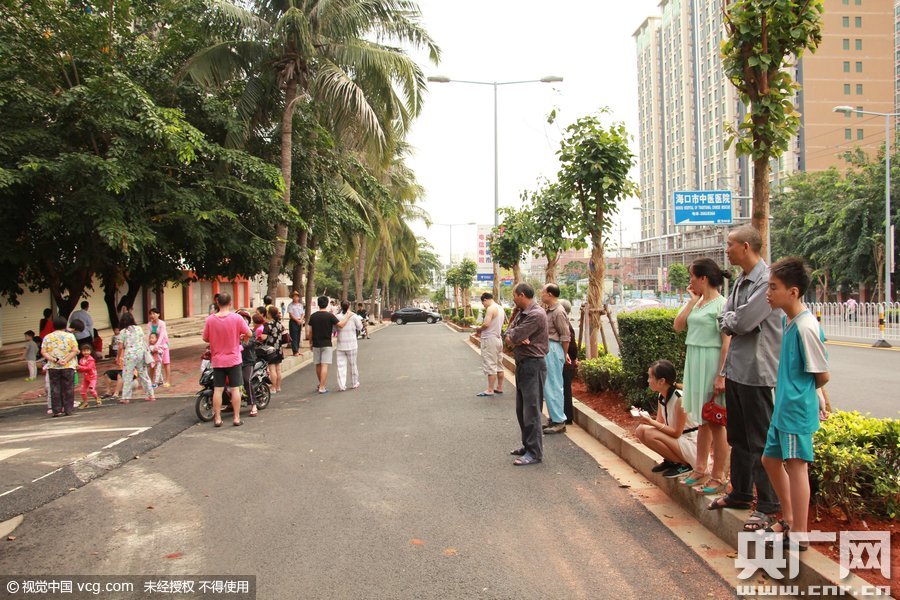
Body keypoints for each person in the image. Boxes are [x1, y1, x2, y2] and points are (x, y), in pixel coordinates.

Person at [709, 225, 783, 534]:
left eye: (730, 244)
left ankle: (767, 505)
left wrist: (731, 320)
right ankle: (740, 493)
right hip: (738, 370)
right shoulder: (741, 280)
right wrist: (732, 321)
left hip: (758, 372)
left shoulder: (767, 281)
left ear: (747, 247)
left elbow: (743, 321)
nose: (726, 249)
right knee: (738, 437)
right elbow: (726, 319)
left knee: (759, 441)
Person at [760, 258, 830, 551]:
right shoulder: (789, 321)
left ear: (793, 291)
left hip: (794, 410)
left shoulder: (805, 327)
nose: (768, 293)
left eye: (774, 287)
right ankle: (789, 520)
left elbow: (822, 374)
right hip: (784, 407)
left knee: (797, 466)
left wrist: (814, 400)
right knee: (770, 460)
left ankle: (799, 533)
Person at [673, 258, 732, 495]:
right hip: (695, 360)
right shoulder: (697, 303)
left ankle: (719, 476)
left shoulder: (722, 304)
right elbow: (678, 326)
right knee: (702, 418)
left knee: (716, 421)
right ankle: (700, 468)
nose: (690, 281)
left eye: (692, 277)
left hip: (711, 362)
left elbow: (727, 342)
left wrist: (721, 375)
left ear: (703, 278)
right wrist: (692, 301)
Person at [503, 283, 548, 466]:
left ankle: (535, 452)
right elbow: (507, 334)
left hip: (533, 365)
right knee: (521, 410)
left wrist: (515, 338)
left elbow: (512, 337)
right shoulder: (522, 313)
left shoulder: (536, 314)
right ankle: (527, 445)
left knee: (531, 411)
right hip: (523, 365)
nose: (513, 299)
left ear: (522, 295)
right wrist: (515, 337)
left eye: (514, 295)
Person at [635, 360, 699, 478]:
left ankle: (685, 464)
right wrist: (646, 417)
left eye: (650, 377)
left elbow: (676, 433)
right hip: (679, 441)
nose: (648, 381)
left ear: (662, 381)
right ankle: (672, 461)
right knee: (640, 430)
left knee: (649, 433)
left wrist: (650, 421)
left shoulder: (680, 399)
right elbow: (660, 422)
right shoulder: (662, 395)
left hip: (690, 444)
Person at [202, 292, 251, 427]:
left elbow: (205, 338)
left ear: (217, 303)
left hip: (217, 360)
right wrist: (240, 337)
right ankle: (236, 418)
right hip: (234, 359)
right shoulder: (237, 318)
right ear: (230, 303)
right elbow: (249, 333)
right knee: (235, 389)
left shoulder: (210, 320)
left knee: (218, 389)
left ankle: (217, 419)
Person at [307, 295, 356, 394]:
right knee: (324, 364)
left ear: (318, 304)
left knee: (318, 364)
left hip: (316, 343)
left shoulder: (313, 316)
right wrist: (348, 315)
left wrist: (310, 342)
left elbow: (310, 332)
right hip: (326, 343)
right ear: (327, 304)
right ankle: (322, 387)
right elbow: (341, 325)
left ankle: (321, 384)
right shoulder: (330, 316)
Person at [541, 283, 571, 435]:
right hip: (549, 349)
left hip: (554, 349)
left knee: (554, 385)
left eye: (543, 292)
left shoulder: (558, 312)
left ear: (550, 294)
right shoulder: (549, 310)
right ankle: (554, 418)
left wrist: (564, 354)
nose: (541, 294)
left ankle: (559, 421)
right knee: (549, 386)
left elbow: (565, 336)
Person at [40, 316, 79, 416]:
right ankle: (68, 409)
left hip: (53, 366)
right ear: (65, 325)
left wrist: (54, 360)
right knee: (68, 388)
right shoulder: (70, 336)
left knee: (55, 388)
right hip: (68, 365)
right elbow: (75, 350)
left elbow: (43, 352)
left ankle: (56, 410)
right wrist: (65, 360)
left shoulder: (48, 337)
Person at [117, 311, 156, 404]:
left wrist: (119, 357)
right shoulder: (139, 329)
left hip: (129, 355)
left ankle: (126, 397)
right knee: (143, 374)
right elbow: (143, 340)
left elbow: (120, 347)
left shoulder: (123, 332)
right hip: (140, 354)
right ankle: (151, 394)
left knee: (127, 375)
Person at [472, 292, 505, 397]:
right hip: (498, 338)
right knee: (499, 364)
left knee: (490, 364)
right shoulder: (500, 308)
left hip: (489, 339)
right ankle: (499, 387)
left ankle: (490, 389)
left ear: (485, 300)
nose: (483, 305)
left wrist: (478, 329)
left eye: (483, 303)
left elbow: (486, 324)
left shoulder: (490, 308)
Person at [334, 301, 363, 391]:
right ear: (349, 306)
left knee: (340, 366)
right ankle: (354, 382)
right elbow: (360, 327)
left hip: (340, 344)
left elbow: (334, 329)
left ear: (341, 307)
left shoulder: (337, 317)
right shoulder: (354, 316)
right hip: (352, 344)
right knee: (353, 364)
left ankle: (342, 385)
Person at [559, 300, 578, 425]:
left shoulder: (564, 324)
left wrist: (567, 356)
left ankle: (567, 416)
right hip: (567, 361)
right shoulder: (565, 323)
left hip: (566, 362)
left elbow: (571, 345)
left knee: (565, 389)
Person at [237, 310, 259, 417]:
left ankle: (253, 405)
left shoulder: (251, 332)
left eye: (245, 318)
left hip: (248, 362)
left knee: (247, 380)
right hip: (235, 361)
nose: (243, 320)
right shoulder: (234, 333)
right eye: (241, 318)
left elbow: (249, 343)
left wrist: (240, 346)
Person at [263, 306, 285, 394]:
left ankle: (273, 387)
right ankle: (278, 386)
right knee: (278, 369)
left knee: (272, 369)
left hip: (270, 349)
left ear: (270, 314)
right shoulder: (279, 324)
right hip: (279, 348)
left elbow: (263, 337)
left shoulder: (268, 324)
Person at [147, 308, 171, 387]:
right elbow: (148, 335)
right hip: (153, 346)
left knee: (166, 362)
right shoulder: (149, 324)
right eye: (151, 314)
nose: (152, 315)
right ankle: (150, 381)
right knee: (152, 363)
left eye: (154, 313)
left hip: (163, 345)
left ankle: (167, 381)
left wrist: (156, 345)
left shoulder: (162, 323)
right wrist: (148, 346)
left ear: (158, 314)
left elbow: (161, 336)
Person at [287, 291, 305, 356]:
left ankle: (297, 350)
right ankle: (295, 351)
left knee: (298, 336)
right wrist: (297, 320)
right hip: (293, 321)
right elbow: (291, 314)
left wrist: (301, 320)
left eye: (297, 296)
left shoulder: (300, 305)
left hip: (300, 321)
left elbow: (303, 313)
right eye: (294, 296)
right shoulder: (290, 305)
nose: (295, 298)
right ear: (292, 297)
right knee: (293, 336)